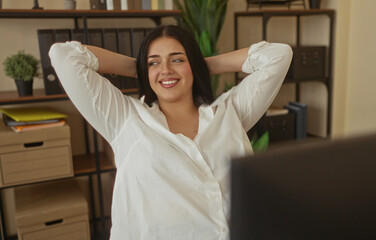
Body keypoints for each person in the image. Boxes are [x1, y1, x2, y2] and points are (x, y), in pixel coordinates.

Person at [49, 25, 292, 239]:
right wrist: (140, 68)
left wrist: (203, 65)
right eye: (154, 62)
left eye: (177, 59)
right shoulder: (125, 118)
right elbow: (64, 56)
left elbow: (278, 56)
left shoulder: (231, 112)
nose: (165, 70)